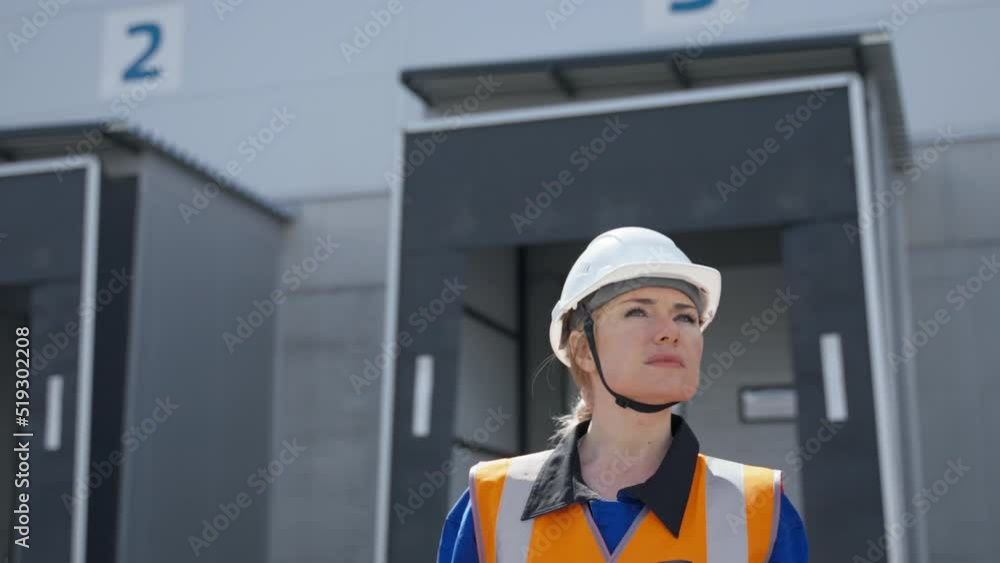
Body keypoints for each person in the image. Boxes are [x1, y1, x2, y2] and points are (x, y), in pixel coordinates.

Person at [437, 226, 808, 562]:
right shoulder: (491, 501)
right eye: (637, 312)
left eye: (685, 317)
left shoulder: (760, 508)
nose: (669, 332)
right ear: (583, 349)